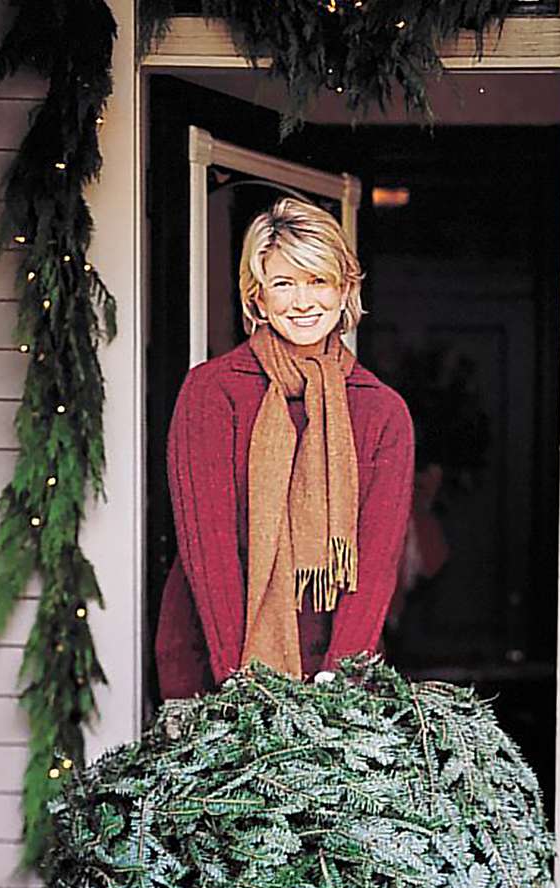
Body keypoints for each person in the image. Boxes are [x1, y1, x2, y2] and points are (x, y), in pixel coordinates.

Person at [155, 197, 415, 699]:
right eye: (283, 283)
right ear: (257, 299)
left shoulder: (382, 412)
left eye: (318, 281)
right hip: (213, 666)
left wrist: (341, 681)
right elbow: (208, 550)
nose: (302, 302)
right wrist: (241, 684)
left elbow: (378, 565)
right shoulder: (213, 393)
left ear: (345, 290)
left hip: (340, 675)